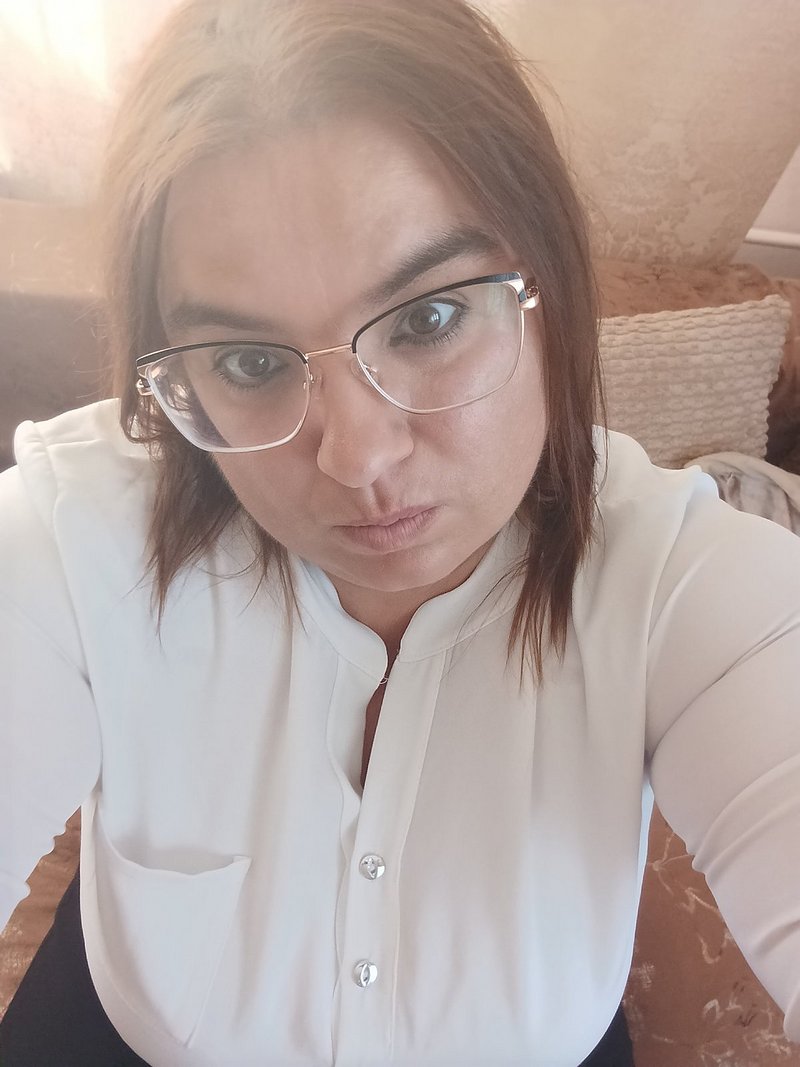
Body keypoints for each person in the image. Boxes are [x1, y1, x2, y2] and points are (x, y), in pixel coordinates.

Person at [1, 0, 798, 1064]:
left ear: (550, 288)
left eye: (428, 318)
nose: (358, 457)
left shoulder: (685, 587)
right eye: (249, 361)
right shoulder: (72, 540)